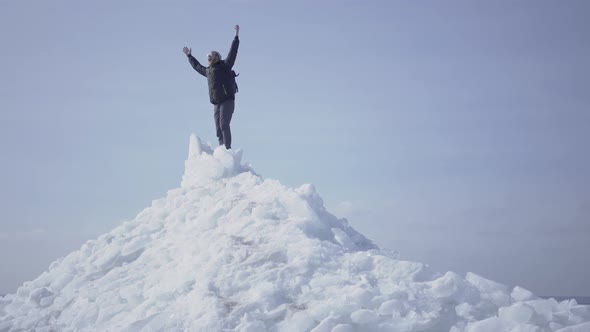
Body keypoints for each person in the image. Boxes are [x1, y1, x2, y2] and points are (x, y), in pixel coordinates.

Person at [183, 25, 240, 149]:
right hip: (216, 102)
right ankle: (221, 150)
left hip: (227, 100)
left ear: (217, 58)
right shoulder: (208, 71)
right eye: (208, 56)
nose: (209, 57)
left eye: (211, 55)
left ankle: (227, 149)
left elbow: (233, 53)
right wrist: (189, 56)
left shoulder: (225, 65)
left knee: (224, 124)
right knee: (218, 129)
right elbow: (197, 66)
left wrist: (236, 37)